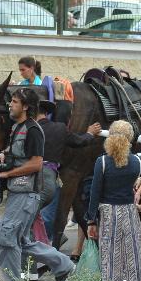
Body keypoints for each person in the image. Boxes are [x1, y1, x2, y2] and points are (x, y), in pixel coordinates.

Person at [0, 89, 74, 281]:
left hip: (27, 194)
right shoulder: (17, 128)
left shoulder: (33, 129)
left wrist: (6, 173)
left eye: (15, 102)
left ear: (26, 107)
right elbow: (20, 154)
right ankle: (64, 266)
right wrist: (6, 155)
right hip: (18, 193)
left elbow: (36, 163)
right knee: (21, 241)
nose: (10, 105)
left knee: (7, 239)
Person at [86, 120, 141, 281]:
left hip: (108, 214)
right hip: (130, 212)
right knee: (133, 256)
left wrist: (91, 220)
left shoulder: (102, 162)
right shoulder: (137, 161)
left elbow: (94, 193)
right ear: (130, 139)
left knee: (110, 258)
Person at [36, 100, 100, 241]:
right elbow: (79, 141)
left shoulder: (27, 128)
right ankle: (46, 244)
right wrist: (89, 133)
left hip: (29, 176)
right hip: (49, 176)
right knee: (47, 213)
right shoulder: (59, 128)